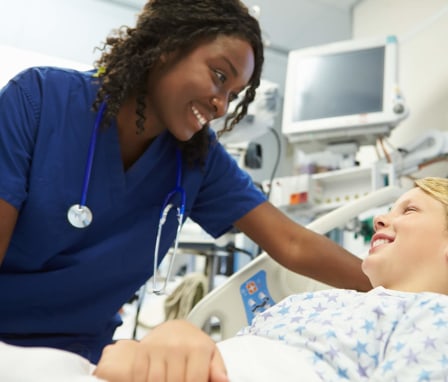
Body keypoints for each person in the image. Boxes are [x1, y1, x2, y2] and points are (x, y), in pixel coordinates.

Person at [0, 0, 370, 368]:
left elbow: (292, 242)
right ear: (167, 47)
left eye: (233, 95)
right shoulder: (38, 101)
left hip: (83, 359)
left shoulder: (196, 158)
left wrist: (403, 287)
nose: (222, 106)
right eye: (220, 77)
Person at [92, 176, 448, 382]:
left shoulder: (433, 316)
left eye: (410, 209)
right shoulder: (310, 302)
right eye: (388, 209)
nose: (380, 220)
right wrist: (177, 336)